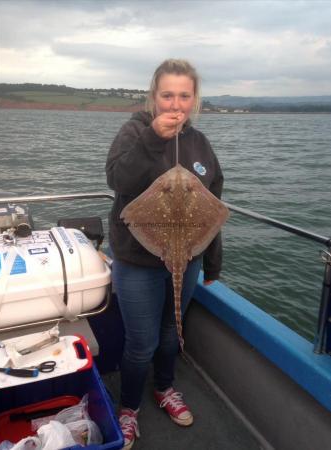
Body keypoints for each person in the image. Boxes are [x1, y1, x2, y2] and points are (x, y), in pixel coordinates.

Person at [105, 59, 224, 450]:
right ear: (153, 96)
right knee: (142, 343)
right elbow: (118, 180)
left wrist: (211, 261)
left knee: (173, 330)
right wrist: (153, 138)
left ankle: (165, 388)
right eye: (167, 94)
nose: (176, 103)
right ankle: (128, 408)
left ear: (195, 99)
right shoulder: (135, 130)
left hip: (186, 257)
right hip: (137, 261)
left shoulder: (199, 142)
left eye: (184, 95)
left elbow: (213, 205)